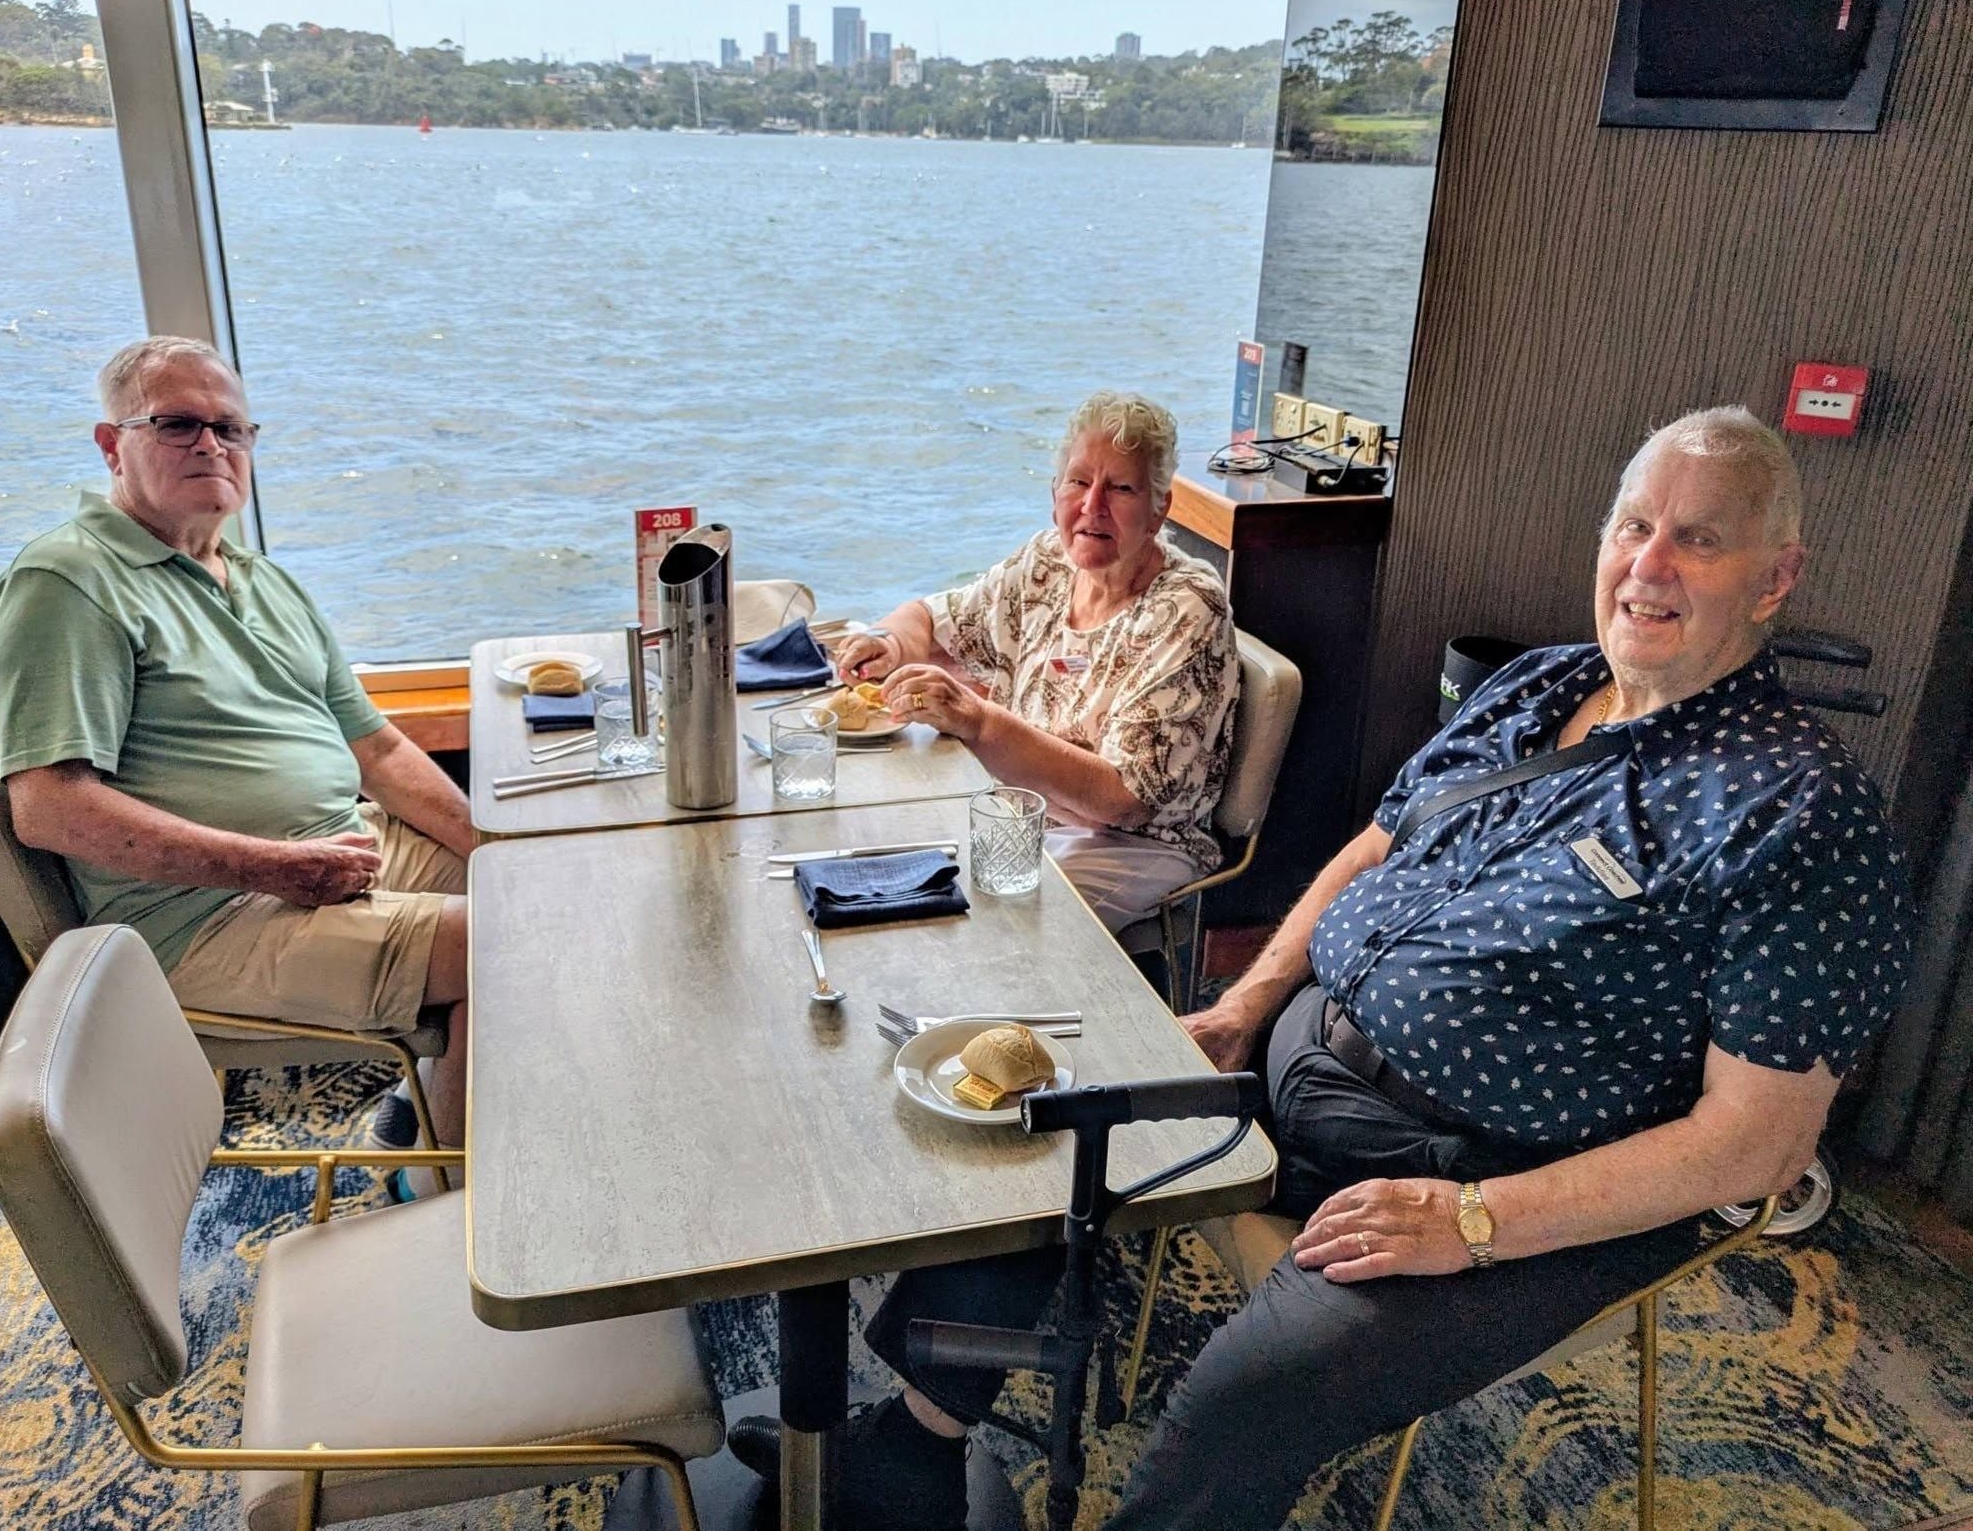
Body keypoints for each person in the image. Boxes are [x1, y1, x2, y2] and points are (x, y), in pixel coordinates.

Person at [727, 406, 1912, 1530]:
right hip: (1297, 1059)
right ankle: (912, 1451)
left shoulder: (1798, 812)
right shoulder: (1540, 682)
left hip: (1497, 1175)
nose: (1647, 563)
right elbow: (1374, 843)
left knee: (1247, 1388)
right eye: (1631, 524)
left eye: (1697, 538)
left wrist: (1475, 1219)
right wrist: (1243, 1003)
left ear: (1773, 577)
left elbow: (1754, 1144)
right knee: (1035, 1136)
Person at [0, 337, 475, 1169]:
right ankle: (454, 1205)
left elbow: (378, 748)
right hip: (205, 918)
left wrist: (492, 842)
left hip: (335, 846)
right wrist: (275, 868)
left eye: (231, 429)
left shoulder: (259, 577)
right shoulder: (66, 584)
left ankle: (428, 1123)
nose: (211, 445)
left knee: (550, 889)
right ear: (111, 444)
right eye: (177, 425)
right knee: (516, 945)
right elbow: (49, 806)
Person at [834, 391, 1238, 934]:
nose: (1092, 506)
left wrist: (978, 722)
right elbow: (930, 619)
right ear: (1055, 493)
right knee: (873, 857)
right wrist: (891, 642)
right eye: (1078, 482)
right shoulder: (1049, 562)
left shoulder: (1186, 607)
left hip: (1132, 844)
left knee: (984, 922)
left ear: (1160, 507)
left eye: (1120, 488)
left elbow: (1122, 799)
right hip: (1021, 810)